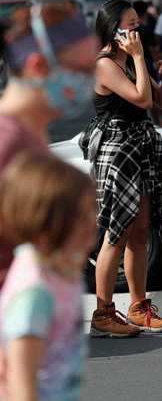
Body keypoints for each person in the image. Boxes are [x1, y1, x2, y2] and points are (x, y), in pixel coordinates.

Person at [89, 0, 162, 338]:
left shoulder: (128, 62)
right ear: (114, 30)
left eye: (138, 24)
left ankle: (139, 307)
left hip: (140, 147)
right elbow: (139, 99)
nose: (137, 31)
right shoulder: (106, 64)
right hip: (118, 151)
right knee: (116, 232)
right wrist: (140, 59)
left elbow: (159, 105)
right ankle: (103, 312)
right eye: (130, 25)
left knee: (140, 231)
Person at [0, 0, 97, 290]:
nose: (90, 80)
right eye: (81, 69)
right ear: (38, 66)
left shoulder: (32, 134)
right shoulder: (9, 141)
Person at [0, 154, 95, 401]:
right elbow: (21, 380)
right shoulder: (34, 293)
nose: (93, 223)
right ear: (47, 223)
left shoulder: (63, 271)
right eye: (82, 216)